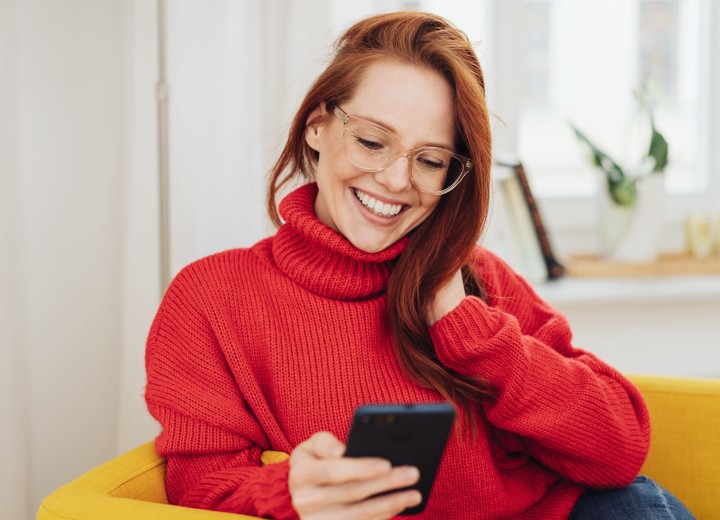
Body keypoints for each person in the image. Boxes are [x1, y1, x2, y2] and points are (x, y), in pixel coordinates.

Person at [144, 11, 695, 520]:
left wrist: (470, 330)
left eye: (430, 160)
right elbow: (199, 488)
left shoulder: (475, 276)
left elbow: (620, 450)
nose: (396, 180)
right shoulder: (213, 298)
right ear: (317, 126)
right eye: (372, 141)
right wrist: (288, 493)